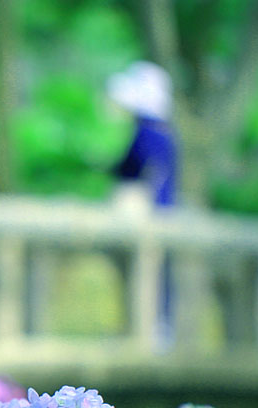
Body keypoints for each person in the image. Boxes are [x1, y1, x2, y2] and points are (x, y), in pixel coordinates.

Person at [107, 61, 179, 347]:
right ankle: (157, 329)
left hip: (148, 214)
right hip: (165, 210)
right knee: (158, 274)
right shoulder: (168, 133)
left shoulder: (146, 132)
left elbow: (133, 169)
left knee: (144, 271)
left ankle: (145, 332)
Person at [108, 61, 178, 209]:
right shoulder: (161, 131)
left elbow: (146, 169)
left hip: (151, 206)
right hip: (160, 203)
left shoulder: (149, 132)